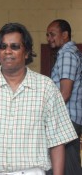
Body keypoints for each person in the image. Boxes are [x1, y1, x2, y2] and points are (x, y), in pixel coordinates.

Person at [0, 22, 78, 175]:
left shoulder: (46, 87)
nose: (7, 51)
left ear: (26, 52)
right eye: (2, 46)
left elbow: (58, 141)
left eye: (14, 46)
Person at [46, 19, 82, 174]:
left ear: (65, 35)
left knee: (66, 167)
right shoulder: (70, 53)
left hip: (65, 120)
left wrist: (48, 114)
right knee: (69, 165)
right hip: (71, 119)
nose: (49, 38)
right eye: (47, 35)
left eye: (52, 34)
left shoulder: (66, 55)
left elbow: (65, 93)